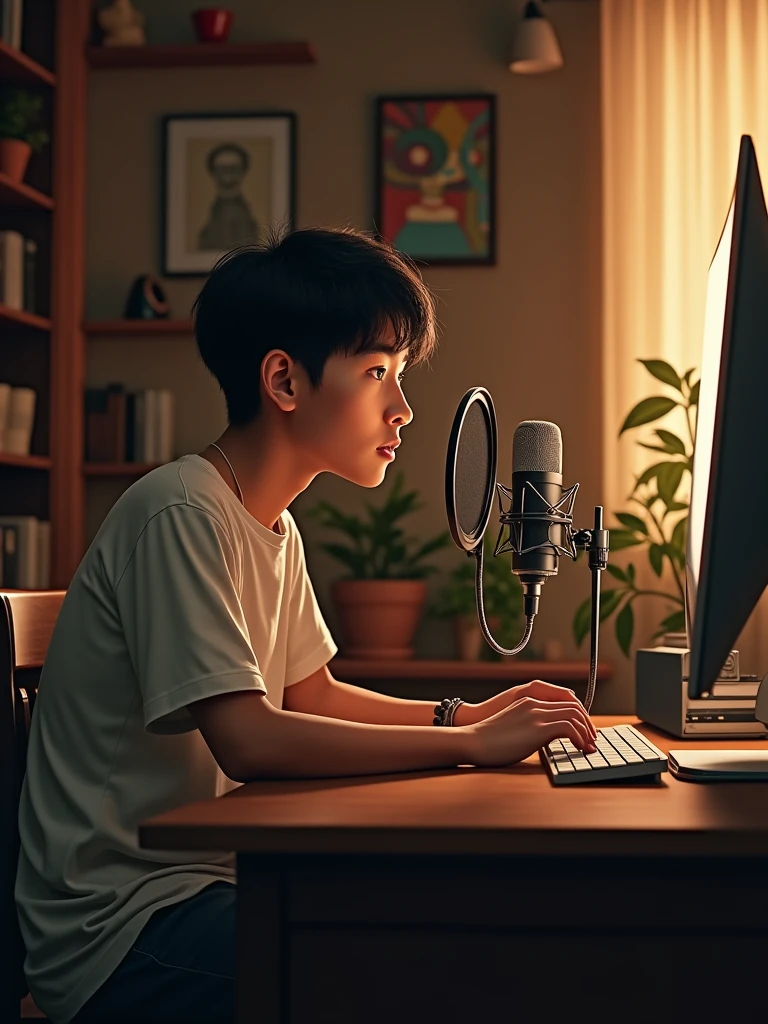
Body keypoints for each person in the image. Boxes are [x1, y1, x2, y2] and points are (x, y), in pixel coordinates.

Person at [15, 226, 597, 1024]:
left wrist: (463, 714)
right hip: (124, 927)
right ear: (284, 380)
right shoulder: (181, 511)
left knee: (444, 921)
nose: (404, 408)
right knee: (433, 962)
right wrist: (465, 748)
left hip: (213, 883)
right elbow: (250, 737)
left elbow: (310, 692)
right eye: (376, 373)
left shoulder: (271, 525)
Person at [198, 142, 258, 251]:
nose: (228, 175)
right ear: (213, 172)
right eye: (221, 169)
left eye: (233, 168)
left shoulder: (245, 211)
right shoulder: (209, 211)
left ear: (242, 171)